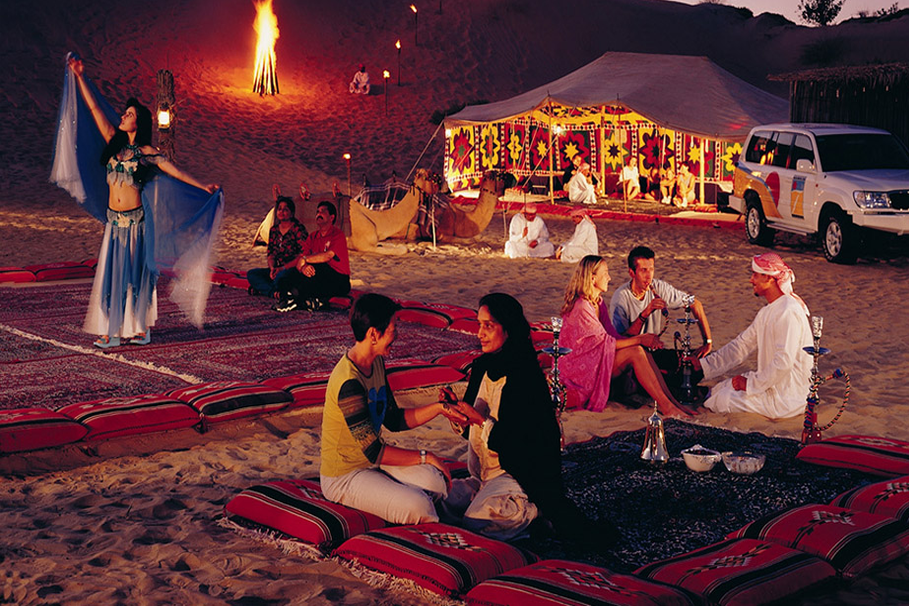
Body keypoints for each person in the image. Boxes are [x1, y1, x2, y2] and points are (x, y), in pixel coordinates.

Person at [51, 54, 221, 349]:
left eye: (128, 115)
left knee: (133, 277)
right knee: (112, 277)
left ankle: (137, 329)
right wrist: (79, 76)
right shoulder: (113, 142)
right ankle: (113, 328)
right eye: (124, 113)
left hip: (136, 225)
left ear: (138, 122)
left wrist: (202, 186)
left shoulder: (146, 152)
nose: (123, 117)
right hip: (113, 225)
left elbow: (175, 171)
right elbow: (93, 109)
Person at [441, 293, 618, 545]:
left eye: (488, 326)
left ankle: (534, 513)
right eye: (479, 325)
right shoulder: (481, 367)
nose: (480, 333)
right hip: (483, 477)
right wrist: (458, 414)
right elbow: (473, 431)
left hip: (517, 476)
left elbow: (522, 446)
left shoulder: (525, 377)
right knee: (439, 501)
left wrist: (481, 421)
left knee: (476, 522)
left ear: (508, 329)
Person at [320, 293, 477, 524]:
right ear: (374, 334)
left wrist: (440, 408)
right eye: (393, 328)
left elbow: (393, 419)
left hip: (373, 463)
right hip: (344, 476)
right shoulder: (349, 382)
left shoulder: (376, 362)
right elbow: (373, 451)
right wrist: (426, 457)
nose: (397, 334)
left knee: (436, 483)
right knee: (419, 506)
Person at [560, 256, 694, 417]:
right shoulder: (582, 306)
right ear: (592, 278)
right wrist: (640, 339)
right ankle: (667, 407)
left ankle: (672, 403)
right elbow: (604, 342)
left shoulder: (598, 303)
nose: (609, 278)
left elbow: (613, 336)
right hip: (581, 371)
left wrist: (643, 340)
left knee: (640, 349)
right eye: (605, 273)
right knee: (635, 351)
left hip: (595, 360)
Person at [687, 253, 812, 419]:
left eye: (755, 275)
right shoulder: (768, 311)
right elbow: (742, 345)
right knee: (718, 390)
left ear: (769, 278)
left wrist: (750, 384)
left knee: (721, 400)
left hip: (787, 395)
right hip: (773, 383)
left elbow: (783, 362)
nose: (751, 280)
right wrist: (704, 365)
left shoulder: (788, 311)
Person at [275, 200, 351, 312]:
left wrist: (305, 260)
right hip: (316, 274)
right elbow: (300, 262)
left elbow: (327, 256)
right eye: (317, 212)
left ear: (331, 217)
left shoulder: (338, 235)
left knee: (319, 270)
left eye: (323, 211)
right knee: (286, 276)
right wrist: (304, 268)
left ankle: (294, 299)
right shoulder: (312, 237)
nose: (318, 214)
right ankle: (300, 299)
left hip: (338, 279)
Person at [247, 196, 308, 298]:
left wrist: (282, 268)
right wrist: (272, 269)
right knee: (252, 274)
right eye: (279, 209)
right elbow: (271, 253)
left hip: (292, 269)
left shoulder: (298, 230)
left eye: (285, 209)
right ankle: (274, 292)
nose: (281, 212)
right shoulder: (274, 230)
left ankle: (266, 289)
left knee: (280, 278)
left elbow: (303, 256)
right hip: (277, 269)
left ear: (292, 213)